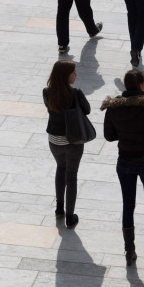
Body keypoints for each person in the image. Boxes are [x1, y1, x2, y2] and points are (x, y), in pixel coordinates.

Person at [101, 70, 144, 266]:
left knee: (128, 204)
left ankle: (129, 249)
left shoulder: (114, 107)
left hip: (124, 161)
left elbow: (109, 135)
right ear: (141, 85)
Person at [43, 60, 90, 228]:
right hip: (73, 140)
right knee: (71, 176)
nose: (76, 75)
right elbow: (87, 110)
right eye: (73, 72)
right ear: (65, 75)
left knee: (60, 168)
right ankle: (70, 217)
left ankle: (59, 209)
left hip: (54, 140)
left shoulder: (47, 92)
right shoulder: (76, 93)